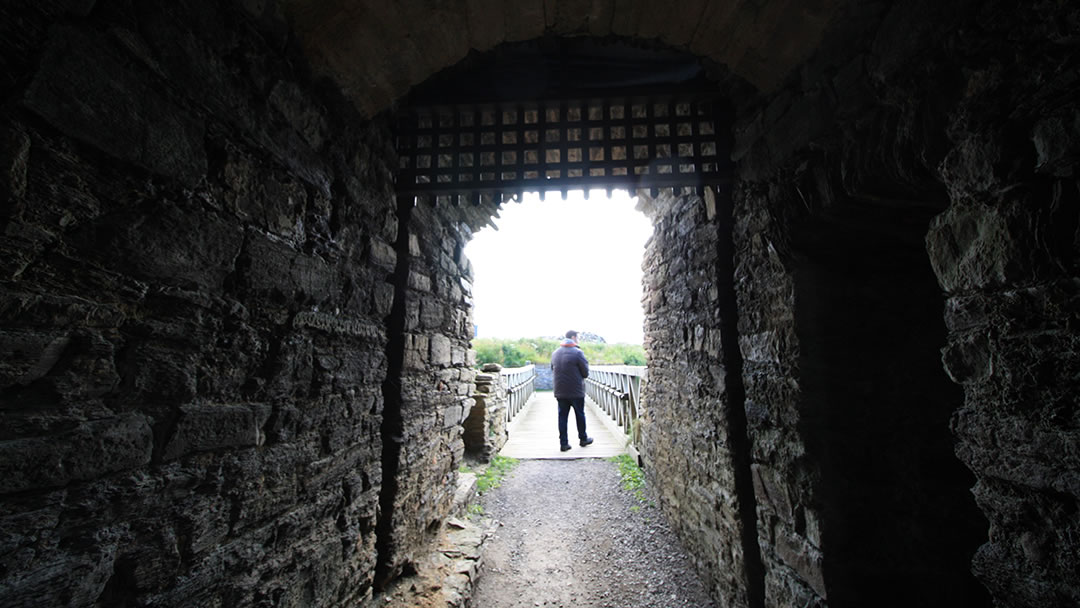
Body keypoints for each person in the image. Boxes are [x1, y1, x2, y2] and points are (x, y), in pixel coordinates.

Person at [551, 330, 593, 452]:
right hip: (576, 391)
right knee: (580, 414)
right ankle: (583, 439)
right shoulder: (578, 352)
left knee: (562, 416)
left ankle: (563, 444)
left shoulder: (555, 353)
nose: (578, 339)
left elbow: (552, 369)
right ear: (573, 337)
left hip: (560, 391)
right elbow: (585, 373)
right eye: (578, 337)